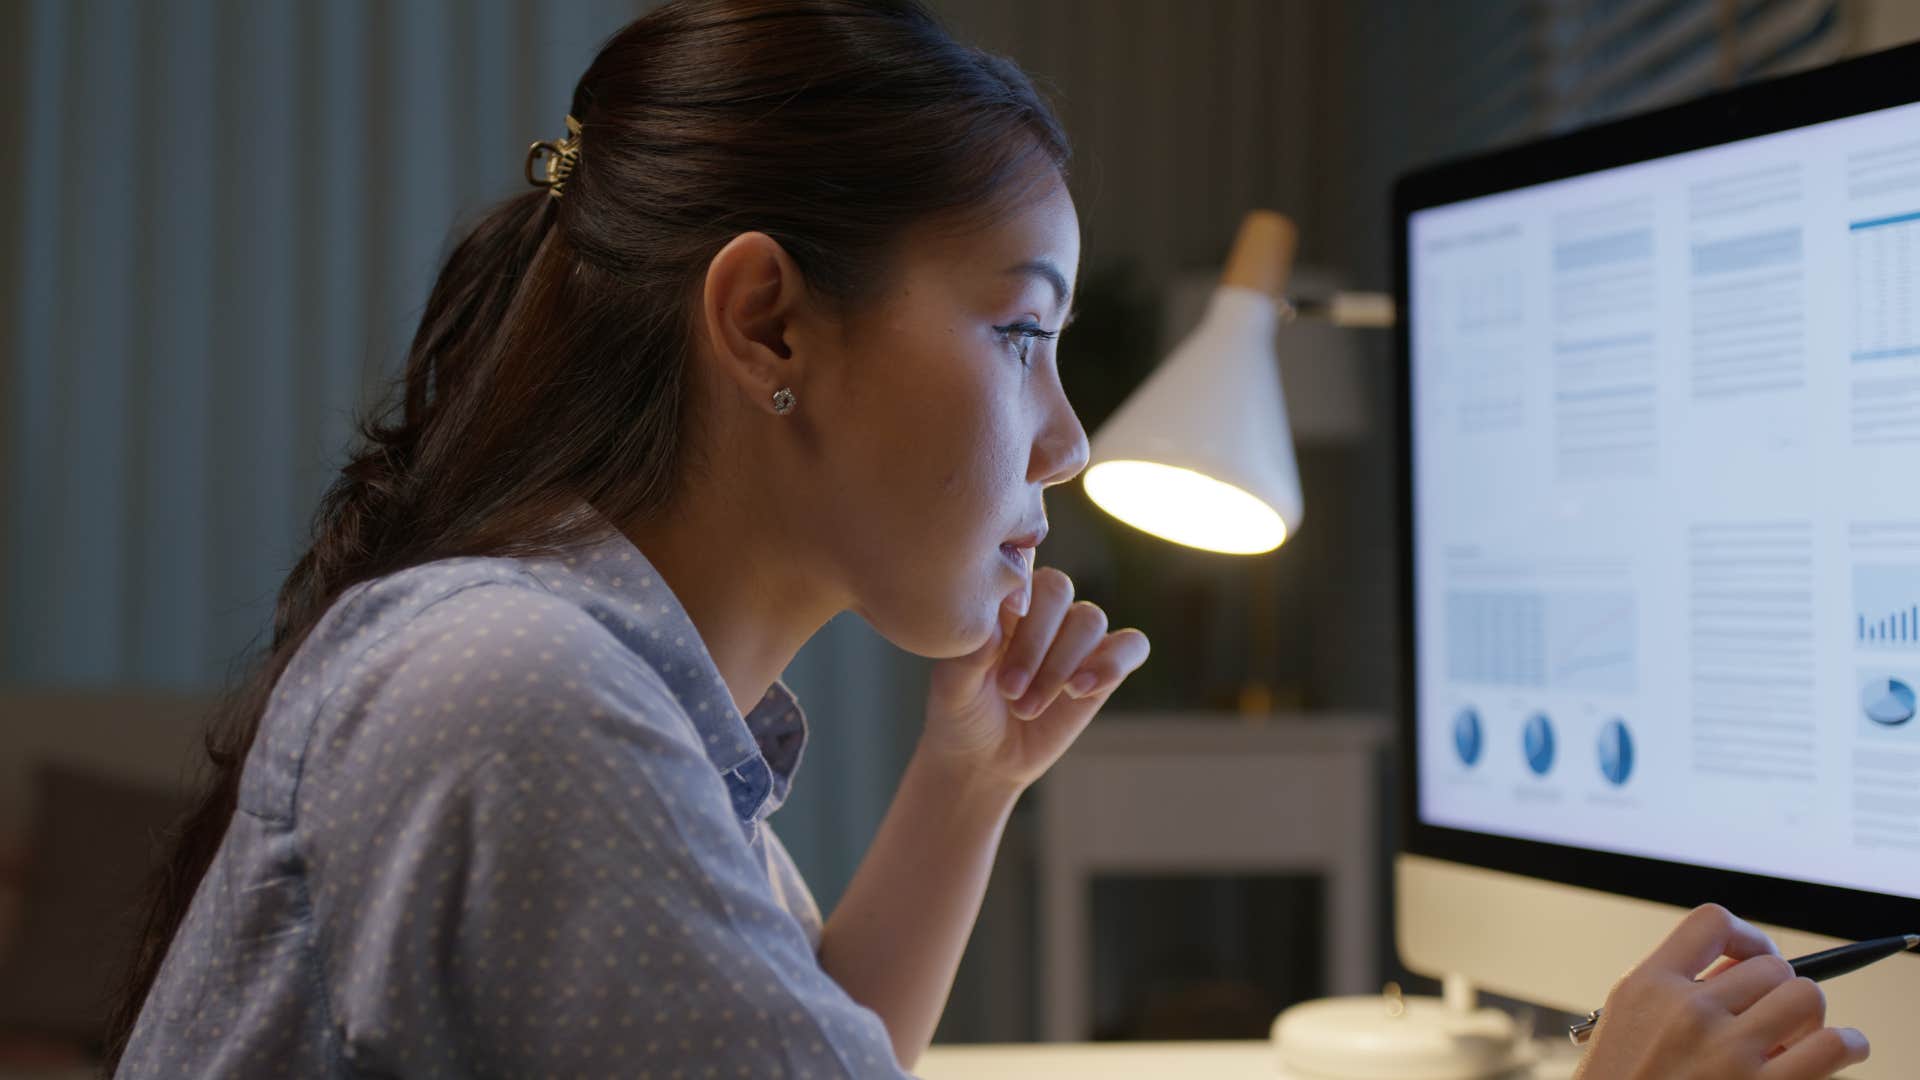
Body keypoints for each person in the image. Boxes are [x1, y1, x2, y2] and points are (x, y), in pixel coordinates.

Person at [102, 2, 1870, 1077]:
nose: (1070, 435)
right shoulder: (524, 693)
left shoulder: (597, 676)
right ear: (771, 324)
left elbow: (804, 1055)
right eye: (1024, 332)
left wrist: (967, 781)